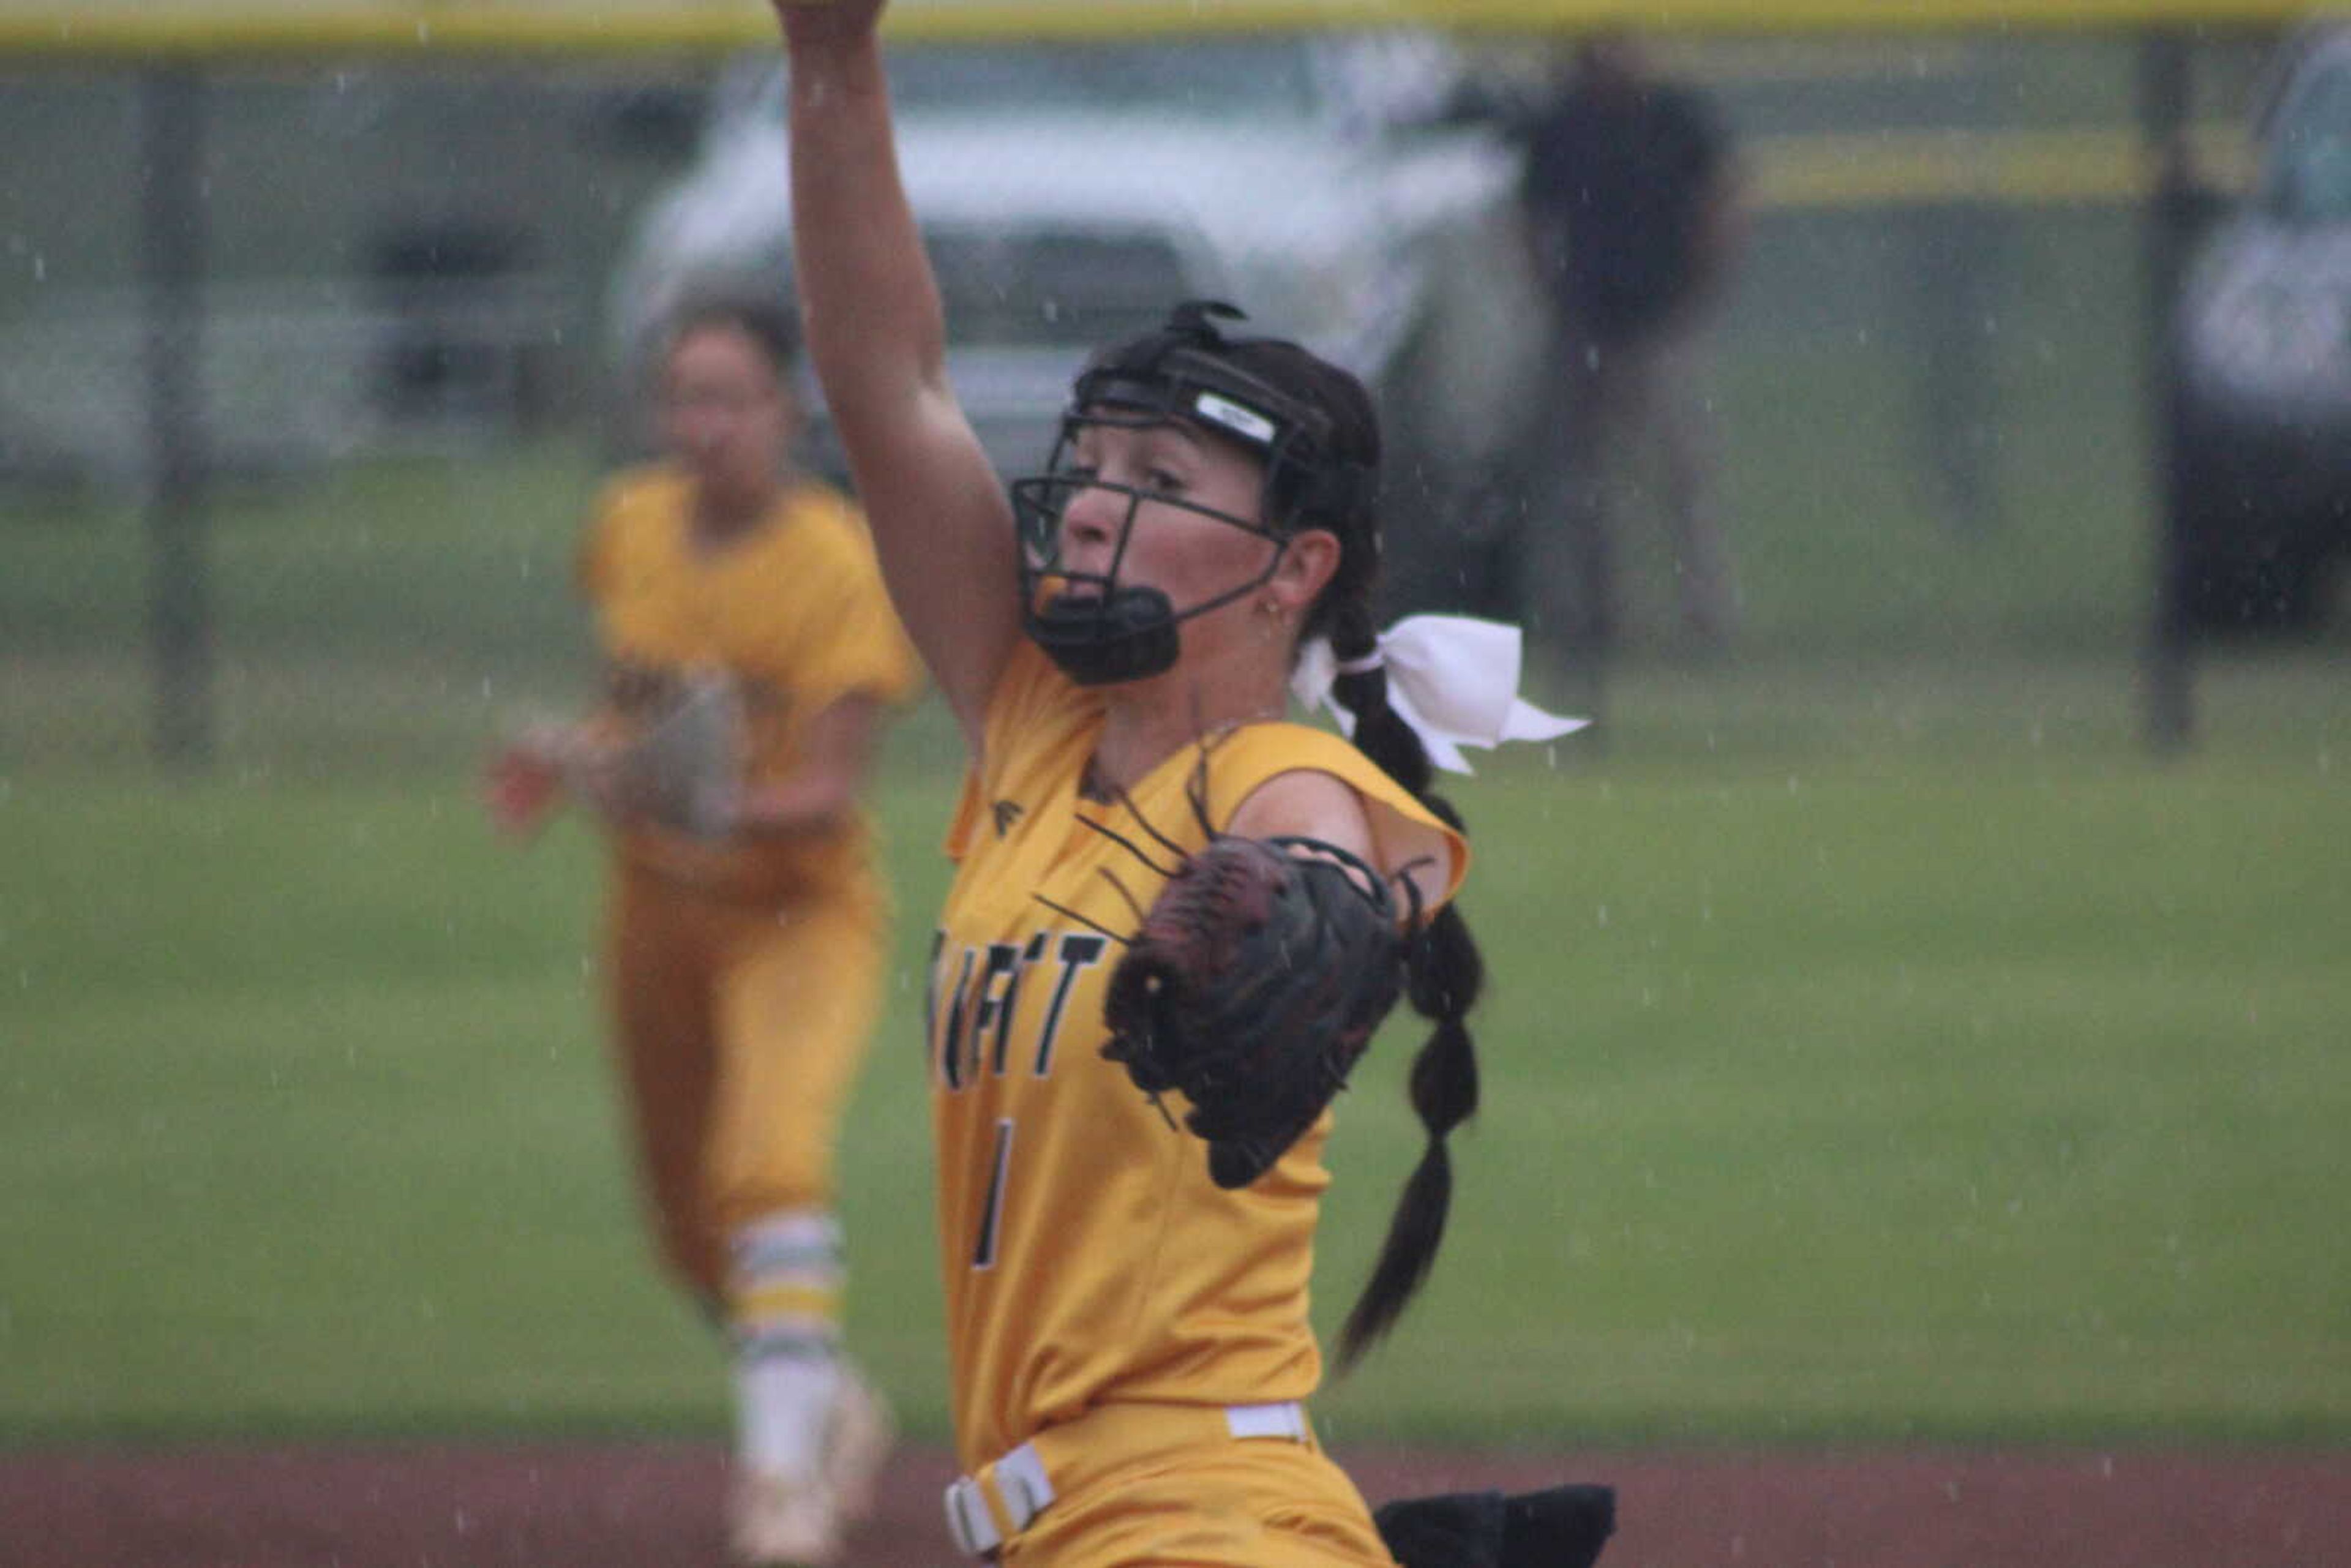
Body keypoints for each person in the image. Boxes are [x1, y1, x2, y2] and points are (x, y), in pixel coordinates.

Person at [770, 4, 1602, 1566]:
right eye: (1091, 465)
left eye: (1159, 485)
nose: (1090, 509)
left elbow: (1320, 860)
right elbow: (885, 382)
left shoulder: (1286, 782)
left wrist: (1317, 914)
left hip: (1199, 1522)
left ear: (1294, 570)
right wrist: (832, 61)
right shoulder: (1030, 726)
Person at [483, 293, 917, 1567]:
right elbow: (625, 716)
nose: (704, 425)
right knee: (688, 1226)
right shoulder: (627, 525)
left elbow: (830, 788)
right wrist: (567, 761)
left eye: (732, 397)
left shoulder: (836, 560)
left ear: (789, 411)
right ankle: (827, 1396)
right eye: (686, 396)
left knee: (769, 1166)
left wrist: (703, 797)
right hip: (655, 917)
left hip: (796, 916)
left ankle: (778, 1488)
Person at [1514, 32, 1746, 666]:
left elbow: (1720, 201)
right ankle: (1593, 618)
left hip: (1661, 320)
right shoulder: (1566, 123)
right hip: (1589, 323)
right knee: (1585, 482)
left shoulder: (1673, 118)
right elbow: (1530, 220)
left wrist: (1697, 290)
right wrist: (1556, 298)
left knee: (1682, 474)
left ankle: (1705, 620)